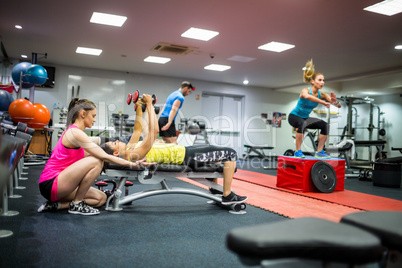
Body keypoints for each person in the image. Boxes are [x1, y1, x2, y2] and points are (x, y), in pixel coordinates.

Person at [102, 103, 248, 205]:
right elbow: (154, 132)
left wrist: (140, 107)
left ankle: (216, 192)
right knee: (230, 154)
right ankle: (227, 195)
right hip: (186, 157)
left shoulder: (130, 147)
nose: (117, 141)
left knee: (214, 151)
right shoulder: (134, 155)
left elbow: (138, 129)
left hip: (186, 151)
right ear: (115, 153)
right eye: (114, 143)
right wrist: (150, 106)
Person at [37, 95, 156, 215]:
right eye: (93, 116)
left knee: (101, 198)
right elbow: (105, 156)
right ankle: (77, 204)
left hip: (61, 184)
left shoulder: (78, 134)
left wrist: (139, 108)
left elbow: (101, 140)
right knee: (97, 160)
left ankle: (57, 205)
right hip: (51, 183)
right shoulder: (74, 133)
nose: (94, 120)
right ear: (83, 114)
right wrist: (134, 164)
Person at [288, 59, 341, 158]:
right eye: (320, 80)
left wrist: (335, 102)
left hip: (305, 118)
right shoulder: (305, 90)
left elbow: (338, 105)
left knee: (325, 125)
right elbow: (308, 97)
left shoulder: (322, 94)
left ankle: (319, 151)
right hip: (294, 116)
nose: (322, 82)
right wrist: (323, 102)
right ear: (313, 81)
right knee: (302, 123)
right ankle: (297, 151)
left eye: (323, 80)